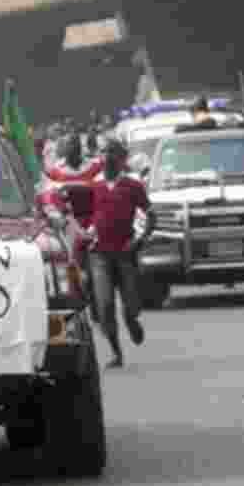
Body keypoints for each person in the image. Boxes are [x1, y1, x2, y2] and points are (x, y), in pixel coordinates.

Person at [80, 139, 155, 369]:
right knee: (104, 305)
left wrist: (139, 240)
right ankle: (116, 352)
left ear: (122, 159)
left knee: (130, 304)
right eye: (105, 153)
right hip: (99, 254)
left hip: (125, 252)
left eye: (113, 154)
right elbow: (83, 218)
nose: (108, 158)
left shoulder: (133, 186)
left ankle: (132, 321)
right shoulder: (93, 187)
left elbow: (151, 216)